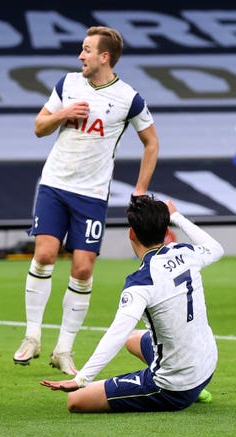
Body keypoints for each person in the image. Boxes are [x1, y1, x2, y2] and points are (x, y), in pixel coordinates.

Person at [13, 26, 159, 374]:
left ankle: (64, 349)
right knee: (45, 254)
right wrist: (63, 115)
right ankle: (32, 336)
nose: (81, 55)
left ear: (104, 57)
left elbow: (151, 142)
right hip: (54, 184)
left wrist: (140, 188)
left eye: (87, 50)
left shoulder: (128, 98)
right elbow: (38, 127)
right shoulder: (67, 84)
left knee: (82, 269)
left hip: (92, 195)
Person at [40, 195, 223, 413]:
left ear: (131, 233)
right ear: (166, 232)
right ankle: (194, 386)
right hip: (207, 366)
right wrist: (176, 216)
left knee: (76, 401)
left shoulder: (141, 282)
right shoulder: (186, 253)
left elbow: (115, 333)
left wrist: (81, 379)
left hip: (174, 387)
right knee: (132, 339)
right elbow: (216, 248)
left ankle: (183, 391)